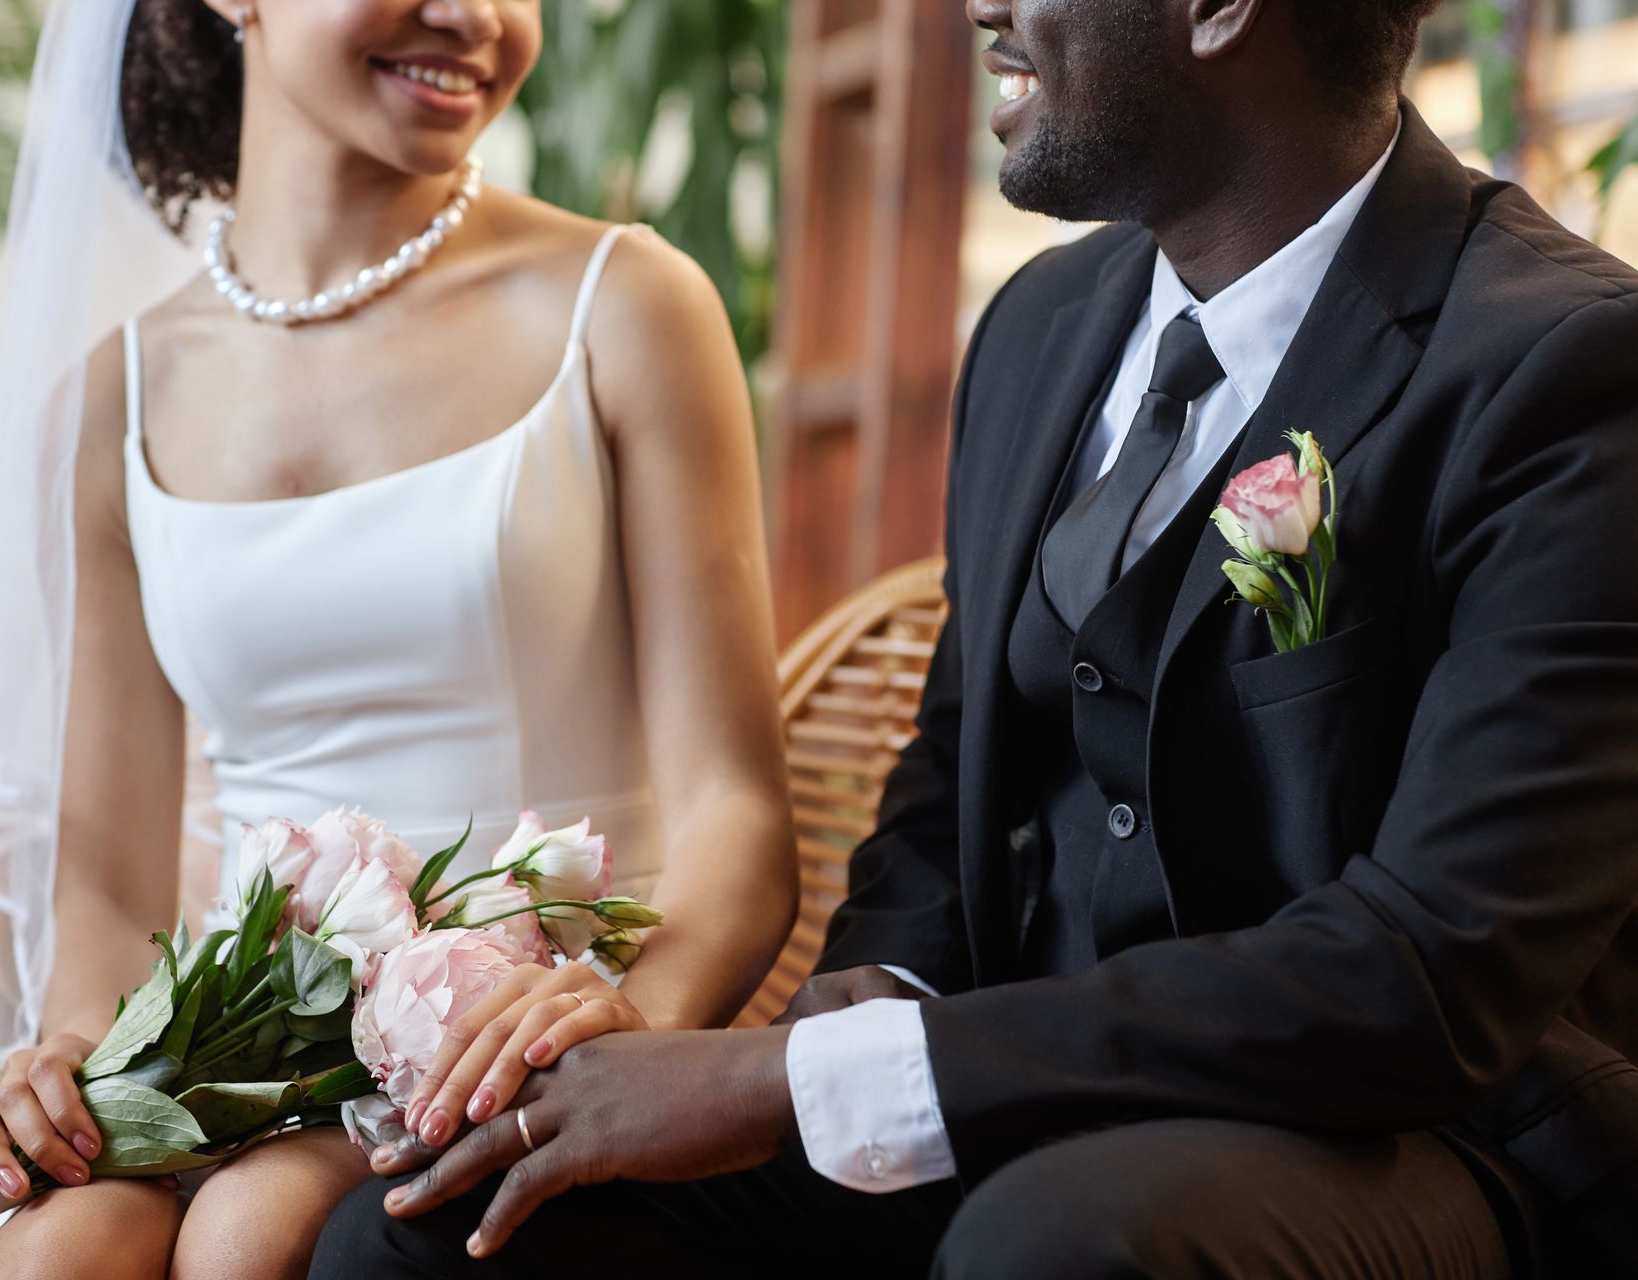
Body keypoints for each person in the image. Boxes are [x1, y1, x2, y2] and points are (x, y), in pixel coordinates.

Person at [311, 0, 1638, 1275]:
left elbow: (1426, 974)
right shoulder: (1040, 328)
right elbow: (956, 776)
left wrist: (799, 1079)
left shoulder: (1566, 373)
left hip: (1414, 1135)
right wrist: (873, 986)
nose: (984, 7)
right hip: (1014, 1097)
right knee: (433, 1231)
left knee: (1055, 1240)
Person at [0, 0, 798, 1275]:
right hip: (249, 1036)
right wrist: (68, 1058)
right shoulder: (118, 392)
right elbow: (104, 878)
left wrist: (635, 1012)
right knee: (59, 1250)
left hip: (523, 1024)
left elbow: (738, 814)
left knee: (250, 1234)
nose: (477, 16)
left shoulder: (628, 305)